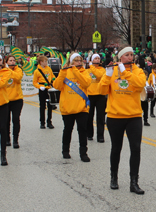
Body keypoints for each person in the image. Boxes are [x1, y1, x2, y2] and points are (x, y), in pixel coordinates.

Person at [100, 45, 146, 194]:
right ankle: (114, 177)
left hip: (134, 116)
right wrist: (107, 75)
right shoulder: (112, 71)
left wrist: (125, 72)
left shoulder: (138, 71)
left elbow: (140, 85)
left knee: (136, 148)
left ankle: (134, 182)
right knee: (116, 148)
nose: (130, 58)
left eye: (132, 55)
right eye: (127, 55)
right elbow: (101, 91)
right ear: (120, 58)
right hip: (115, 116)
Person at [54, 53, 92, 161]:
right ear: (71, 62)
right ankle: (65, 151)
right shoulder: (65, 72)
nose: (79, 62)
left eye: (80, 60)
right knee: (67, 130)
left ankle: (83, 153)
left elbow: (86, 83)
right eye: (76, 60)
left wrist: (76, 71)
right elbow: (56, 86)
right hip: (67, 107)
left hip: (81, 107)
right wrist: (62, 72)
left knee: (82, 130)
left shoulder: (84, 72)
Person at [87, 54, 107, 142]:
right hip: (89, 95)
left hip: (100, 95)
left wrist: (92, 66)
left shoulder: (102, 70)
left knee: (100, 117)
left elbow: (99, 76)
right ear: (91, 59)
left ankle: (100, 136)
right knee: (89, 116)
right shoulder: (87, 70)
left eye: (98, 58)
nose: (97, 60)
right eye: (95, 58)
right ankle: (89, 134)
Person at [5, 55, 24, 148]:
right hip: (6, 100)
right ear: (6, 62)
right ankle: (7, 138)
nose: (12, 62)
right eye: (10, 60)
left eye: (14, 60)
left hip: (17, 100)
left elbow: (18, 78)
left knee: (16, 119)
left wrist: (8, 70)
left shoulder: (18, 69)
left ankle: (15, 139)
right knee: (6, 120)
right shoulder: (3, 70)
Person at [33, 55, 56, 129]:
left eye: (46, 61)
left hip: (49, 88)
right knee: (42, 106)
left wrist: (54, 81)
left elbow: (52, 76)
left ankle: (49, 121)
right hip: (42, 89)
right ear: (41, 62)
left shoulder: (49, 69)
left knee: (50, 105)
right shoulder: (37, 71)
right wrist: (39, 87)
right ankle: (42, 122)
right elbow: (34, 82)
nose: (46, 62)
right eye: (45, 61)